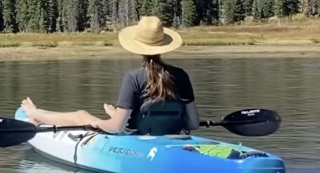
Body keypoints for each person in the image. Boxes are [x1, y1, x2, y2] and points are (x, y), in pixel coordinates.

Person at [20, 15, 199, 135]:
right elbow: (192, 124)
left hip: (137, 138)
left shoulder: (134, 78)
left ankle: (36, 116)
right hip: (171, 137)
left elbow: (116, 128)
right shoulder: (181, 76)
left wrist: (98, 122)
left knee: (82, 115)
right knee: (112, 116)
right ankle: (38, 115)